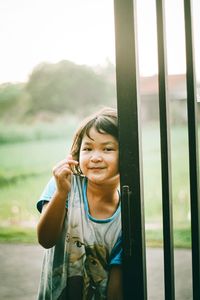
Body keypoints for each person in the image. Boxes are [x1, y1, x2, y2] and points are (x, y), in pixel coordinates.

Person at [36, 107, 123, 300]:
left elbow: (116, 289)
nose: (95, 157)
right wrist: (61, 193)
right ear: (77, 153)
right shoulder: (64, 185)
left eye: (108, 149)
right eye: (88, 148)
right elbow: (45, 240)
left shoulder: (126, 216)